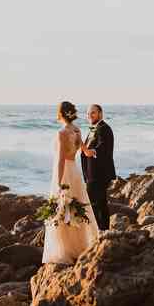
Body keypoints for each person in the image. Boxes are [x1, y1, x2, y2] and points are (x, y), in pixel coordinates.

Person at [42, 101, 99, 264]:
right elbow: (86, 151)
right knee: (76, 209)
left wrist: (59, 182)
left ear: (60, 114)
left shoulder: (62, 133)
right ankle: (79, 245)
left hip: (65, 171)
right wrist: (93, 152)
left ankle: (65, 249)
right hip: (75, 171)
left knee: (62, 210)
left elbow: (60, 159)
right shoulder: (77, 130)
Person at [80, 104, 116, 231]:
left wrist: (88, 150)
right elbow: (86, 150)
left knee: (95, 204)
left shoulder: (104, 128)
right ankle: (102, 230)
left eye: (93, 113)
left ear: (100, 114)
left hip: (99, 174)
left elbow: (103, 148)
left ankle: (100, 230)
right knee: (99, 203)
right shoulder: (93, 129)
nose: (90, 115)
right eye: (88, 113)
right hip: (92, 174)